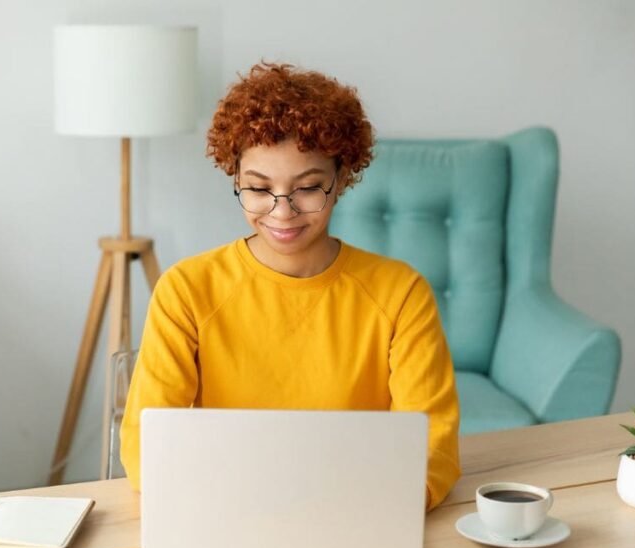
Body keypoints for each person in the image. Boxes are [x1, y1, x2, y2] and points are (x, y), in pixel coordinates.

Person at [119, 62, 460, 510]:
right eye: (259, 189)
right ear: (236, 179)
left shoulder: (401, 293)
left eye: (308, 188)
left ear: (341, 181)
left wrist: (379, 507)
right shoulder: (186, 290)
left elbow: (432, 446)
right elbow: (146, 442)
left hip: (360, 512)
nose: (282, 213)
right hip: (225, 511)